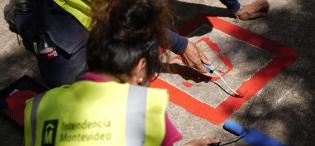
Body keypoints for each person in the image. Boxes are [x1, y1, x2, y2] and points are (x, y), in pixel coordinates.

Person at [12, 0, 266, 146]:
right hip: (56, 11)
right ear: (141, 67)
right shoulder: (145, 109)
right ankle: (26, 16)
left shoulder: (41, 104)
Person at [3, 0, 210, 87]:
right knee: (71, 88)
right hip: (54, 9)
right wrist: (180, 44)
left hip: (94, 6)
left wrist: (234, 6)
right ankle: (21, 14)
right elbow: (125, 15)